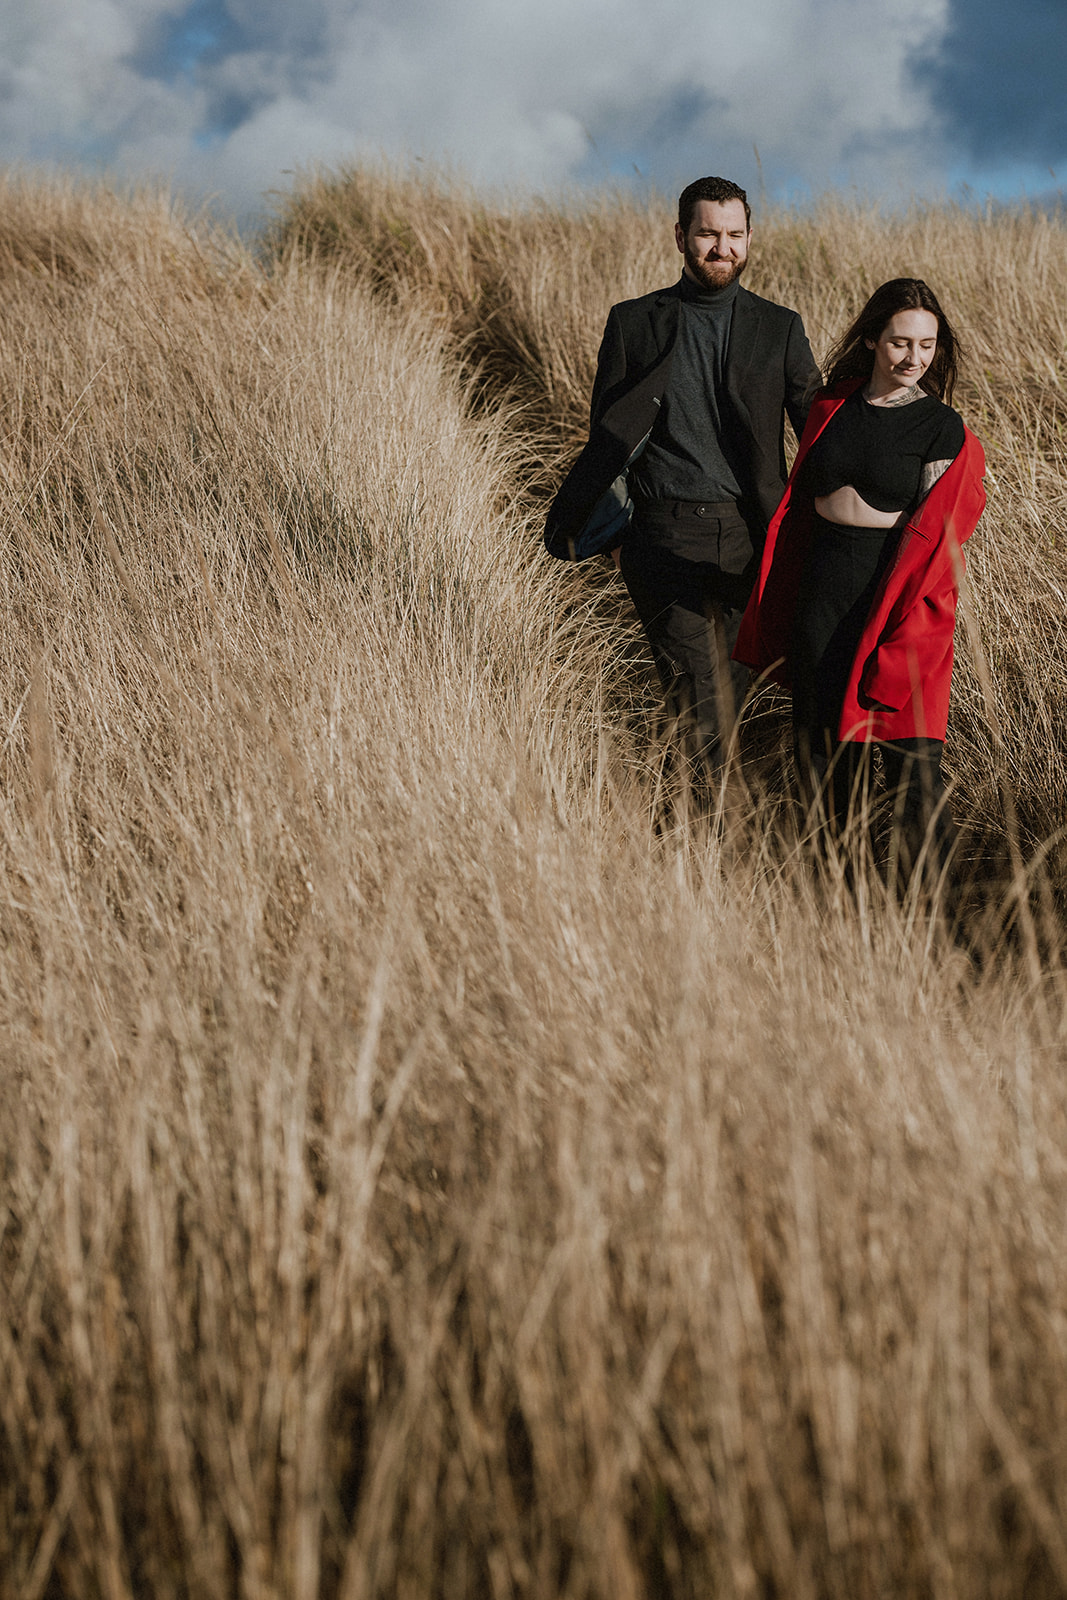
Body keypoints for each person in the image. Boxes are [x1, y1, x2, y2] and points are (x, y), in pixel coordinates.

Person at [544, 176, 819, 786]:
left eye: (735, 234)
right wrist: (619, 538)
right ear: (680, 236)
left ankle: (682, 824)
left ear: (749, 238)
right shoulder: (633, 323)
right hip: (663, 536)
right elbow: (607, 439)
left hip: (751, 541)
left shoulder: (779, 327)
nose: (723, 247)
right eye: (708, 234)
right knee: (702, 707)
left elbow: (818, 433)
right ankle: (708, 840)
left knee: (727, 706)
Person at [733, 278, 986, 884]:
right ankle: (837, 899)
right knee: (822, 757)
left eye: (927, 345)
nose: (914, 358)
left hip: (899, 601)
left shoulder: (942, 428)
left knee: (910, 765)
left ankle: (927, 909)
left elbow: (938, 537)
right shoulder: (831, 408)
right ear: (872, 339)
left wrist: (908, 620)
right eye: (901, 342)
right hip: (823, 592)